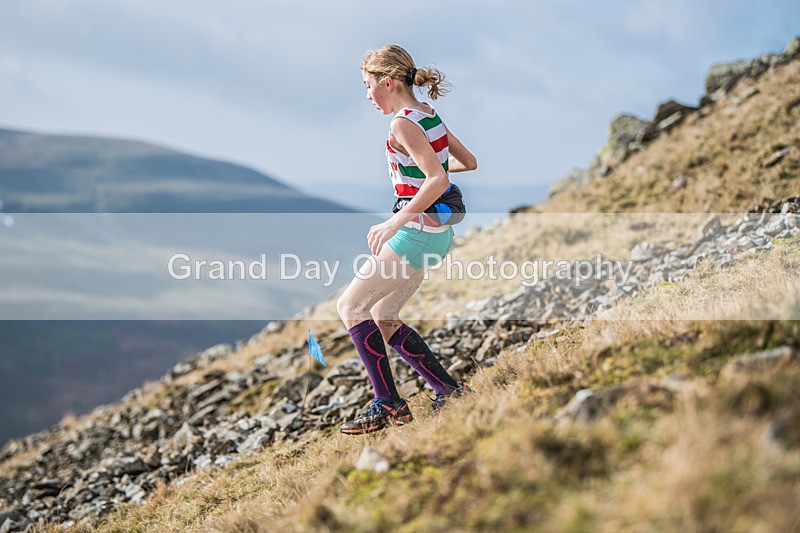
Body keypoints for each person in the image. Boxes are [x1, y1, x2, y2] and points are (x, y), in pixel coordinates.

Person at [338, 44, 478, 435]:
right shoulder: (429, 115)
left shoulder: (401, 124)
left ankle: (389, 404)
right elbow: (466, 163)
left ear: (388, 82)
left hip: (414, 235)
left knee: (350, 308)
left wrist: (394, 222)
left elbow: (439, 178)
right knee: (383, 316)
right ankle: (448, 389)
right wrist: (428, 169)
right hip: (438, 236)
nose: (367, 95)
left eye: (368, 86)